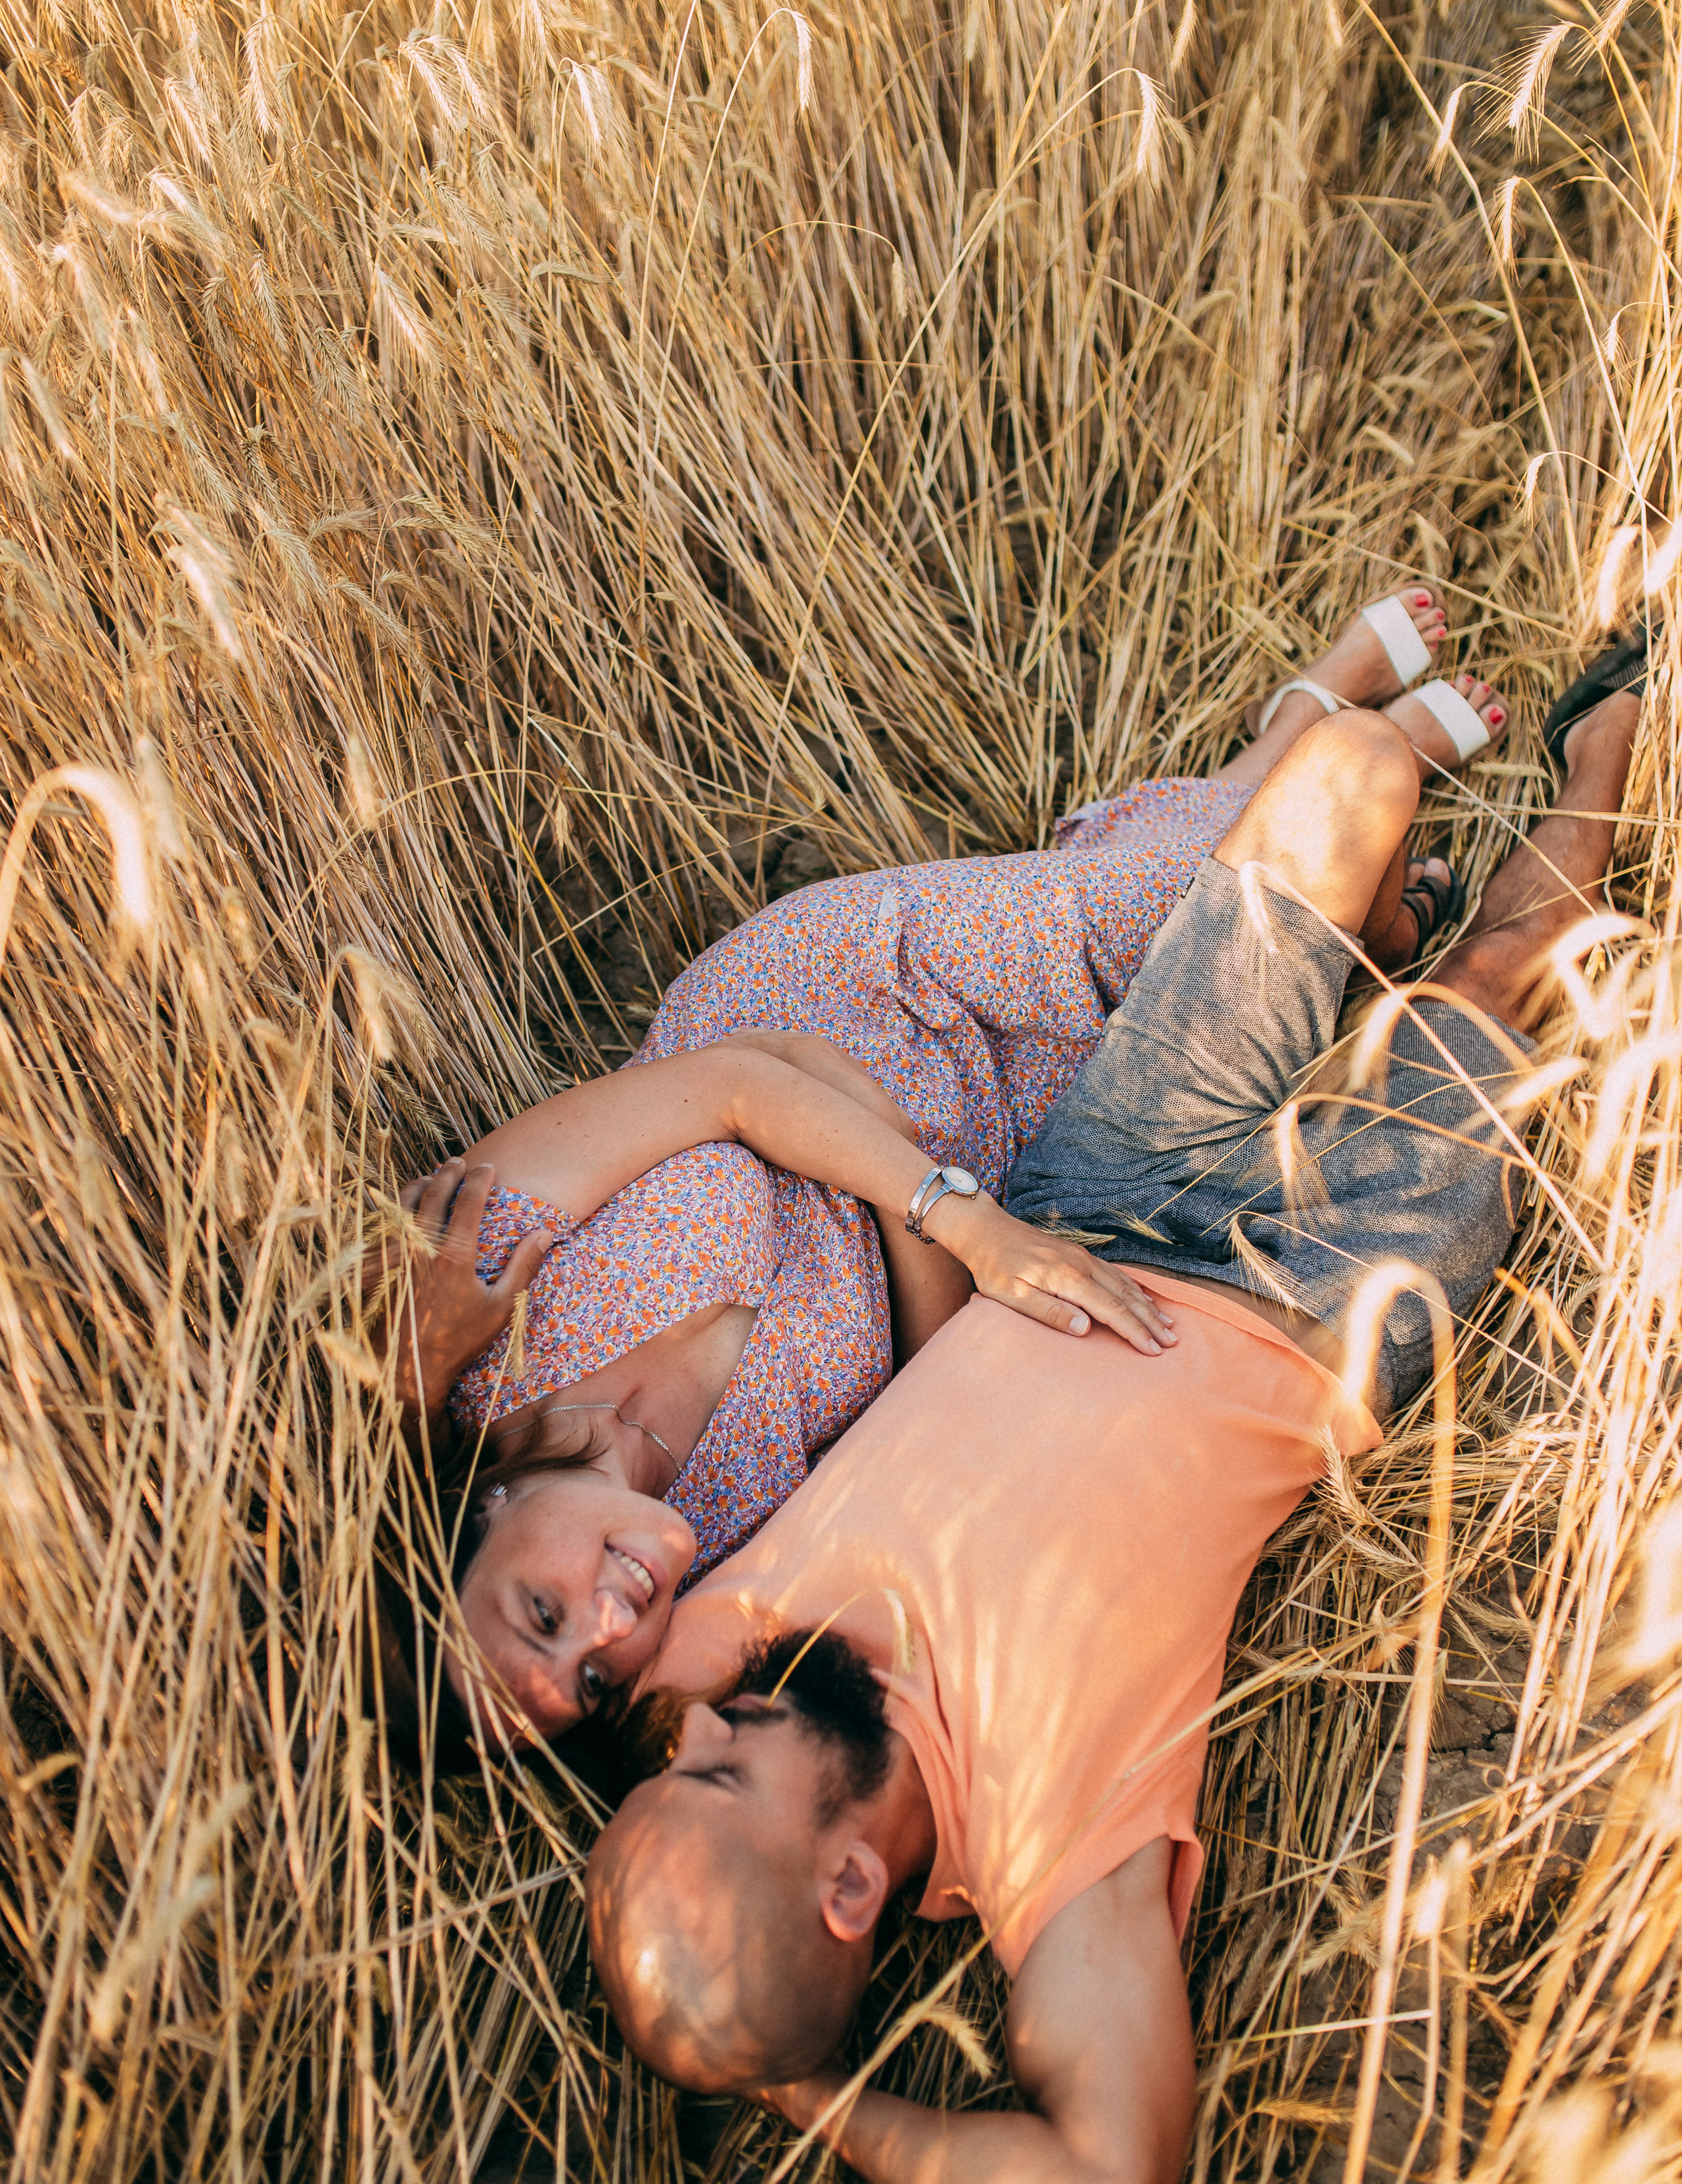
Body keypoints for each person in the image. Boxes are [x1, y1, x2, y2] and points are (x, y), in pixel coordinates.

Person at [583, 670, 1641, 2184]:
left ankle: (1349, 942)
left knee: (1353, 769)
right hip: (1320, 1294)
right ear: (853, 1883)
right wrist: (811, 2096)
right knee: (1495, 981)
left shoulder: (724, 1654)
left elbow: (533, 1638)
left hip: (1093, 1197)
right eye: (717, 1773)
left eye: (676, 1753)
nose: (697, 1716)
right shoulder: (1048, 1853)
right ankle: (1606, 769)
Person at [382, 593, 1506, 1743]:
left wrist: (938, 1213)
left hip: (841, 1003)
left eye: (541, 1611)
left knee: (1174, 910)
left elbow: (729, 1083)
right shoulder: (730, 1542)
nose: (609, 1624)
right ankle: (1286, 779)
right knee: (1171, 974)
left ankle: (1323, 733)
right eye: (595, 1682)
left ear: (487, 1513)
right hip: (968, 1161)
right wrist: (938, 1201)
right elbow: (923, 1382)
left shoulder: (488, 1308)